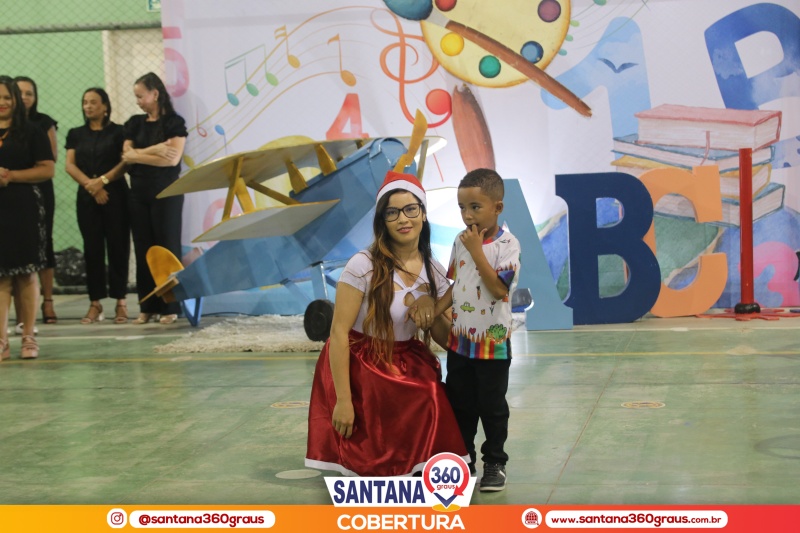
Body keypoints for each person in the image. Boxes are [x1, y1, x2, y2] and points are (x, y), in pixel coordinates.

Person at [306, 171, 468, 476]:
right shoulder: (362, 265)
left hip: (407, 358)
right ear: (383, 220)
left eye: (410, 209)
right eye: (392, 212)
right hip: (361, 362)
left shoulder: (434, 270)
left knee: (431, 395)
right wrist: (343, 401)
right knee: (376, 451)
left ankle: (425, 470)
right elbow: (338, 334)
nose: (403, 219)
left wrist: (432, 308)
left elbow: (446, 340)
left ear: (423, 213)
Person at [431, 168, 521, 492]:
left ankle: (495, 462)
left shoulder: (508, 245)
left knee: (492, 408)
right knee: (461, 407)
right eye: (462, 208)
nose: (467, 215)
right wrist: (433, 312)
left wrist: (476, 250)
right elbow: (456, 285)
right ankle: (463, 460)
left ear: (497, 207)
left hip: (493, 347)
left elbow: (498, 289)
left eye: (475, 207)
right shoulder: (461, 240)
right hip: (460, 345)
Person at [122, 72, 187, 325]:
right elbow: (126, 156)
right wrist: (155, 150)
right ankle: (147, 306)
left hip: (166, 192)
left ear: (155, 94)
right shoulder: (134, 123)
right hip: (138, 193)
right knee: (143, 248)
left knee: (167, 246)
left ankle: (170, 305)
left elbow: (171, 159)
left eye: (141, 96)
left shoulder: (173, 122)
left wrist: (138, 155)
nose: (137, 101)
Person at [0, 75, 55, 360]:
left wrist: (10, 176)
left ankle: (28, 336)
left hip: (24, 207)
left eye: (7, 97)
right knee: (1, 278)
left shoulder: (32, 131)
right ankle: (2, 341)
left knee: (26, 273)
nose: (2, 103)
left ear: (16, 100)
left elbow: (47, 169)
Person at [65, 88, 130, 324]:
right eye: (85, 102)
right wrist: (91, 186)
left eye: (93, 102)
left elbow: (125, 162)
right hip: (87, 197)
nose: (88, 106)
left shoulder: (120, 132)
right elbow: (70, 165)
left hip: (115, 196)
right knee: (92, 249)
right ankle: (95, 303)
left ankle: (121, 302)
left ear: (105, 106)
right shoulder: (75, 134)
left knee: (118, 246)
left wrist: (103, 182)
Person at [13, 76, 58, 327]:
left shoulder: (42, 124)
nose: (24, 98)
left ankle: (47, 301)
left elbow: (50, 159)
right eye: (19, 93)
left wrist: (16, 172)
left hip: (38, 190)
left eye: (29, 93)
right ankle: (18, 315)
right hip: (9, 191)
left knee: (42, 244)